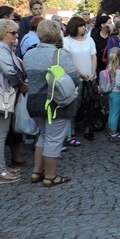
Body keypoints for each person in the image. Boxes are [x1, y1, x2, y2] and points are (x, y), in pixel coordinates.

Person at [24, 19, 81, 186]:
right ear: (58, 34)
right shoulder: (59, 54)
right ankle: (50, 176)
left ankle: (37, 172)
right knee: (54, 139)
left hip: (34, 100)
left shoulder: (29, 53)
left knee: (43, 135)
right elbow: (75, 79)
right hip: (55, 103)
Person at [0, 19, 28, 184]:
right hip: (0, 94)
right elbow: (10, 70)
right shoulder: (0, 47)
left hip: (3, 93)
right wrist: (21, 84)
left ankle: (1, 169)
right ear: (3, 32)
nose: (16, 36)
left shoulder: (1, 47)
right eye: (13, 33)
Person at [63, 16, 97, 142]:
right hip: (75, 78)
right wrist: (80, 73)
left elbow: (93, 57)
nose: (84, 28)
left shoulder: (89, 40)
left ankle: (88, 128)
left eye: (84, 26)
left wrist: (93, 73)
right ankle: (71, 130)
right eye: (81, 26)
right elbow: (69, 60)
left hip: (89, 76)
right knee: (74, 104)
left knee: (89, 102)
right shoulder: (66, 41)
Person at [100, 48, 120, 143]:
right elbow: (119, 83)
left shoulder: (109, 66)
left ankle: (111, 131)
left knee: (112, 112)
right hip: (117, 93)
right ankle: (114, 133)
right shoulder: (118, 69)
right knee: (116, 113)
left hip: (110, 92)